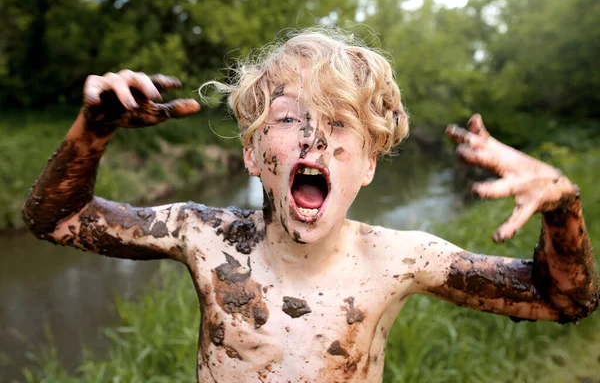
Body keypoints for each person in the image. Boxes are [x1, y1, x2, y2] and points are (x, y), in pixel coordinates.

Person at [22, 30, 599, 383]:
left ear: (369, 164)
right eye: (291, 117)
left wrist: (562, 206)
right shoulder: (202, 236)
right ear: (252, 152)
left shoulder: (399, 259)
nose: (315, 139)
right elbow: (55, 220)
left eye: (340, 122)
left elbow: (565, 299)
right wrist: (90, 133)